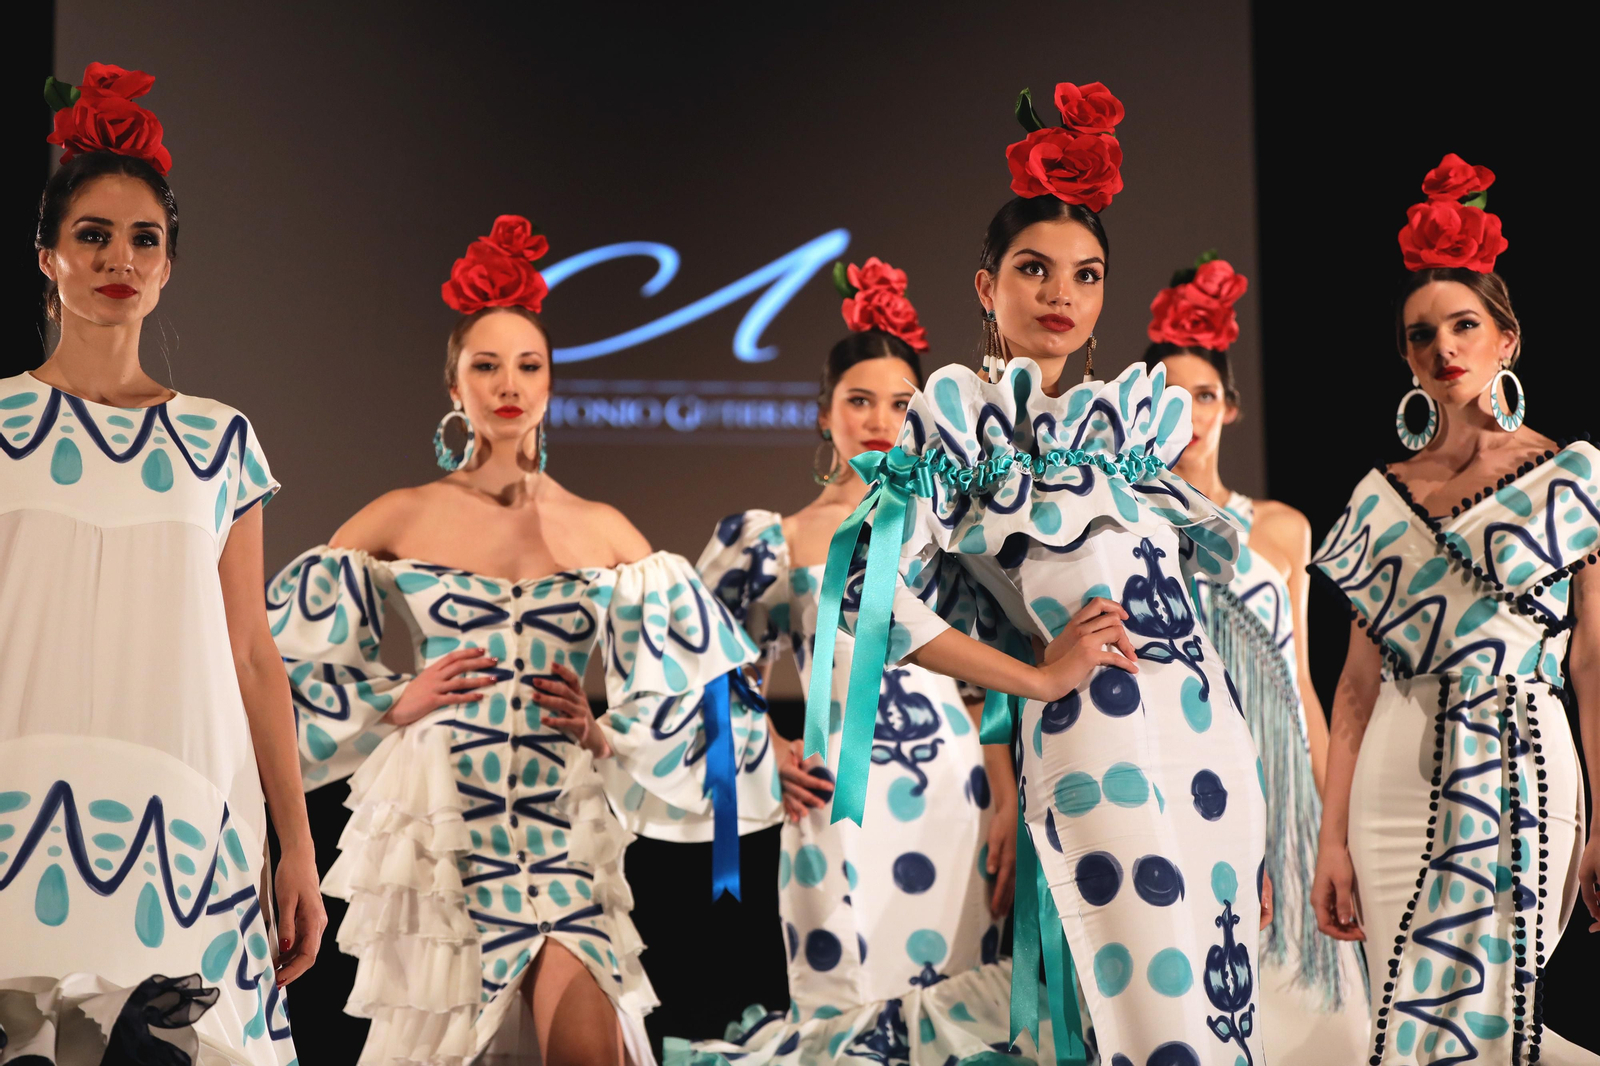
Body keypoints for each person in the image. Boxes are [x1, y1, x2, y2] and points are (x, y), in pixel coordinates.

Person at [808, 83, 1269, 1066]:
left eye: (1086, 274)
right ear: (987, 288)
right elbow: (862, 591)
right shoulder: (962, 424)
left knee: (1226, 1041)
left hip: (1211, 751)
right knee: (1160, 1042)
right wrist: (1032, 676)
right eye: (1033, 269)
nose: (1062, 293)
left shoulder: (1125, 424)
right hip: (1093, 741)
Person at [268, 216, 777, 1066]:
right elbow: (272, 660)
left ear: (551, 384)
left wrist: (606, 730)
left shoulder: (605, 531)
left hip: (559, 822)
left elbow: (702, 688)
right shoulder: (402, 514)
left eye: (528, 365)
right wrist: (394, 699)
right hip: (445, 823)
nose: (509, 383)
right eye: (486, 364)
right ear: (454, 385)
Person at [0, 63, 314, 1064]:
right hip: (17, 796)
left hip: (178, 812)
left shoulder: (219, 441)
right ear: (46, 255)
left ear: (170, 266)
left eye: (145, 238)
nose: (118, 258)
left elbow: (253, 653)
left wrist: (296, 843)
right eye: (91, 234)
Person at [673, 259, 1034, 1065]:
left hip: (954, 792)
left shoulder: (951, 527)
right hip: (836, 796)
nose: (878, 418)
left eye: (901, 402)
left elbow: (991, 679)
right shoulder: (775, 535)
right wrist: (766, 746)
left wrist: (1006, 799)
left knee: (965, 1010)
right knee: (844, 1005)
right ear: (824, 414)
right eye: (858, 400)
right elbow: (703, 658)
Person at [1309, 154, 1599, 1063]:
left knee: (1494, 1020)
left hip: (1527, 767)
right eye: (1422, 333)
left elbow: (1593, 661)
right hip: (1394, 774)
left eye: (1465, 324)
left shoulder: (1571, 477)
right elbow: (1353, 689)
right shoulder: (1377, 497)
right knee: (1406, 1029)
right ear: (1404, 355)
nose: (1445, 349)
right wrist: (1330, 841)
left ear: (1508, 338)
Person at [1149, 254, 1369, 1062]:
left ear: (1231, 408)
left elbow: (1304, 686)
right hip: (1183, 786)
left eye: (1205, 395)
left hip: (1284, 795)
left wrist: (1330, 821)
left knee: (1317, 1022)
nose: (1191, 413)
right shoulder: (1129, 529)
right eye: (1170, 397)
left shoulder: (1282, 528)